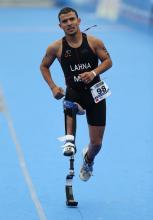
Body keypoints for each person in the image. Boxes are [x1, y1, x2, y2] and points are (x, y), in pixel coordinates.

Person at [40, 7, 112, 181]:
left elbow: (108, 61)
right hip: (74, 93)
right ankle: (69, 141)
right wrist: (53, 87)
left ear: (79, 21)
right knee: (69, 104)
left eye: (72, 19)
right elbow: (43, 66)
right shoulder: (56, 47)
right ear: (60, 26)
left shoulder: (94, 42)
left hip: (95, 93)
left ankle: (88, 160)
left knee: (96, 144)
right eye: (65, 21)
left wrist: (93, 73)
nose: (69, 23)